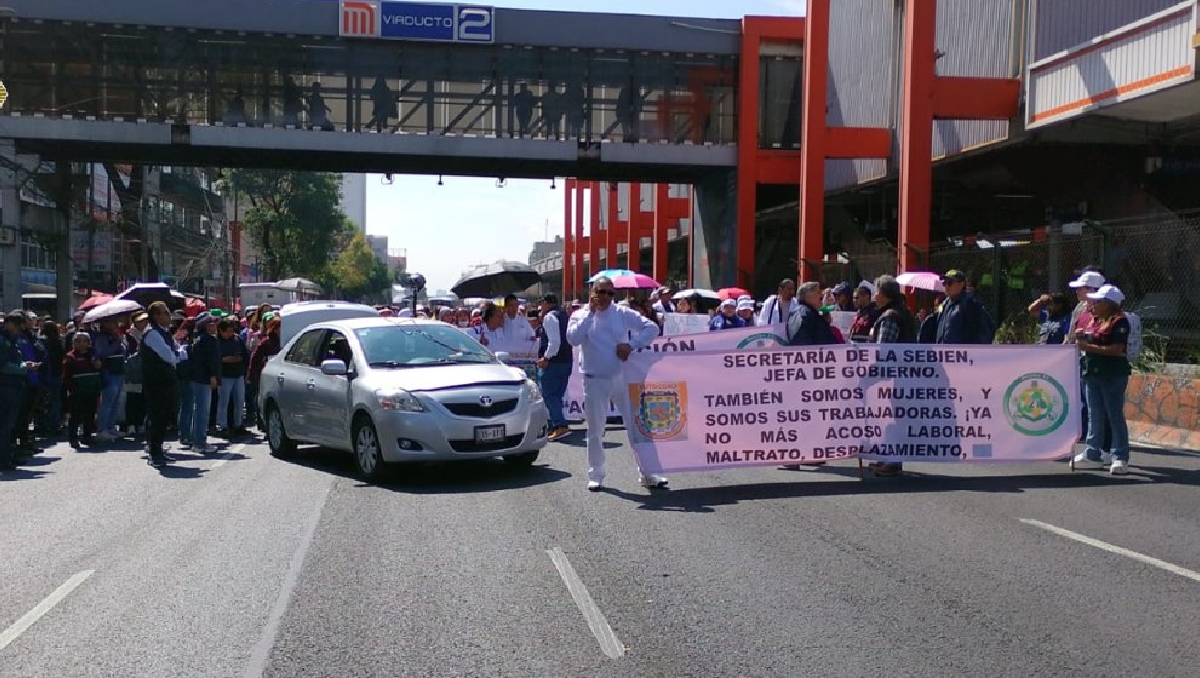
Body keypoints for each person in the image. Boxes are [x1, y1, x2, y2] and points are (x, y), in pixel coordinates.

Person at [565, 276, 666, 492]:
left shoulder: (621, 312)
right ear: (592, 292)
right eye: (602, 292)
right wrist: (590, 314)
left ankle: (648, 472)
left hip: (621, 376)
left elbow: (651, 328)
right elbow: (573, 339)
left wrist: (631, 344)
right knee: (596, 430)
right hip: (594, 379)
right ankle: (596, 474)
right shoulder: (580, 315)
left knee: (636, 425)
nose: (606, 297)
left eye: (610, 293)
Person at [1073, 284, 1132, 475]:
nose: (1093, 304)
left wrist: (1088, 347)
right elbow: (1088, 340)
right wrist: (1081, 338)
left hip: (1112, 374)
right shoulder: (1093, 320)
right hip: (1092, 372)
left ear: (1109, 304)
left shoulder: (1120, 321)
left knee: (1114, 415)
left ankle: (1119, 457)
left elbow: (1116, 349)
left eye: (1098, 301)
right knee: (1094, 414)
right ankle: (1092, 453)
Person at [868, 275, 919, 477]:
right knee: (894, 417)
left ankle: (893, 461)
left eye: (876, 292)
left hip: (895, 376)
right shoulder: (903, 313)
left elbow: (884, 351)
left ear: (883, 294)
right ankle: (888, 456)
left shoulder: (890, 317)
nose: (874, 295)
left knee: (895, 417)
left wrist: (869, 377)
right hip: (903, 373)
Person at [138, 302, 180, 467]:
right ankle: (154, 453)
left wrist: (177, 355)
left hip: (166, 379)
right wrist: (177, 356)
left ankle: (159, 449)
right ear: (156, 316)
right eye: (166, 313)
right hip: (156, 381)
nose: (169, 316)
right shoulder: (152, 334)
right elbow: (169, 356)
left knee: (164, 417)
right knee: (156, 416)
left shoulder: (164, 333)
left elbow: (180, 351)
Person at [0, 311, 35, 470]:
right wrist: (24, 367)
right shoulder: (3, 342)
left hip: (13, 386)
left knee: (9, 425)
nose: (21, 329)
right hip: (6, 386)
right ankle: (3, 459)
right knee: (5, 425)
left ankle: (8, 456)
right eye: (18, 325)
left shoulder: (11, 341)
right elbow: (3, 366)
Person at [536, 294, 573, 442]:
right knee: (557, 395)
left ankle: (559, 425)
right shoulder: (563, 315)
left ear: (547, 303)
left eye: (542, 303)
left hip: (554, 362)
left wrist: (546, 358)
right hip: (566, 360)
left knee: (549, 395)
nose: (541, 306)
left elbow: (554, 342)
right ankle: (554, 425)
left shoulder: (550, 317)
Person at [188, 314, 221, 454]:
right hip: (204, 379)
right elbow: (209, 361)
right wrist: (213, 376)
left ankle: (195, 439)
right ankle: (200, 443)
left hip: (197, 378)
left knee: (198, 411)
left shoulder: (199, 339)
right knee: (202, 411)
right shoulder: (208, 340)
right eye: (211, 324)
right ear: (205, 326)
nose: (214, 326)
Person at [934, 270, 996, 345]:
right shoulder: (944, 304)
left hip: (964, 352)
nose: (946, 286)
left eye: (950, 283)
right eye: (944, 283)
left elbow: (984, 332)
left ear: (962, 284)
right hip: (944, 352)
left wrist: (975, 351)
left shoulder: (970, 304)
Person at [62, 332, 101, 449]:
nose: (81, 344)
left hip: (92, 389)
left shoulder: (93, 354)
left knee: (90, 414)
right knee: (75, 415)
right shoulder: (70, 356)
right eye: (78, 341)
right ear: (73, 343)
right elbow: (66, 376)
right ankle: (73, 438)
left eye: (85, 341)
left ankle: (87, 436)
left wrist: (97, 364)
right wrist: (69, 389)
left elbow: (100, 367)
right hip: (77, 390)